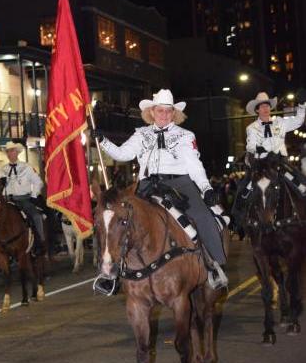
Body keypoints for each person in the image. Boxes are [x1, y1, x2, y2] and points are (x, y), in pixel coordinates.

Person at [94, 88, 227, 266]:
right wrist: (104, 141)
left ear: (174, 113)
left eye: (168, 110)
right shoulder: (141, 134)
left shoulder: (185, 136)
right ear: (152, 112)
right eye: (160, 110)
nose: (164, 114)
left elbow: (195, 166)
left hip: (179, 184)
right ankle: (114, 269)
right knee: (118, 218)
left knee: (203, 216)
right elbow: (122, 154)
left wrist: (206, 188)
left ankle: (216, 265)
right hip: (146, 185)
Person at [232, 91, 306, 224]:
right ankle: (237, 219)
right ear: (257, 110)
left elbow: (298, 121)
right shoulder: (252, 128)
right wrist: (261, 149)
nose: (265, 109)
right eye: (262, 107)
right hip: (262, 164)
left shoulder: (280, 122)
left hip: (280, 163)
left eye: (267, 106)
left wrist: (301, 105)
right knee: (244, 188)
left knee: (301, 183)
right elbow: (250, 146)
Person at [0, 141, 45, 254]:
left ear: (17, 152)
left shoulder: (26, 167)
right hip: (7, 201)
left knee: (36, 216)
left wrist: (33, 195)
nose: (9, 153)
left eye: (12, 151)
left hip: (24, 199)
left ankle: (39, 242)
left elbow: (38, 182)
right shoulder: (2, 170)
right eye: (7, 151)